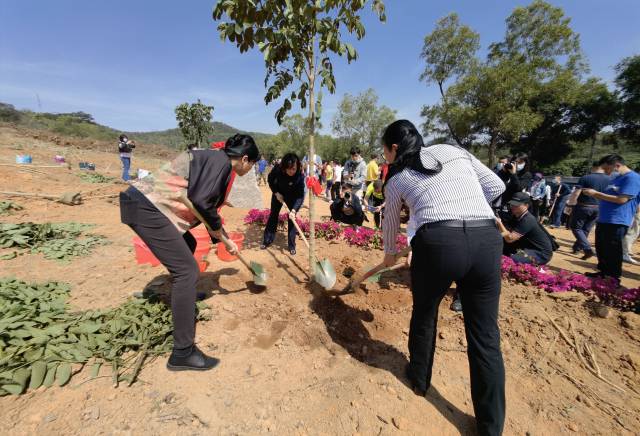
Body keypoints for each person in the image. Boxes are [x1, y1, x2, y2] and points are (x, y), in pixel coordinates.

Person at [381, 120, 505, 435]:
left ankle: (419, 380)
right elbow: (496, 187)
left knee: (425, 313)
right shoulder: (452, 150)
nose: (384, 157)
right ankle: (491, 428)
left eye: (384, 151)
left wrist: (389, 257)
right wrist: (466, 205)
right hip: (486, 241)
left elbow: (390, 226)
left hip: (437, 244)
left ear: (394, 148)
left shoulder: (398, 178)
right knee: (485, 336)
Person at [120, 134, 259, 371]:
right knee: (187, 271)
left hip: (147, 205)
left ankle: (183, 297)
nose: (250, 168)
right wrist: (217, 230)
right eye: (252, 164)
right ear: (245, 159)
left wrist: (220, 234)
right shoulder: (221, 163)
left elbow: (202, 204)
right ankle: (182, 352)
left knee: (190, 247)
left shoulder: (215, 159)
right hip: (147, 208)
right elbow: (202, 202)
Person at [582, 154, 640, 283]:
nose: (606, 173)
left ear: (616, 166)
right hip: (604, 219)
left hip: (617, 220)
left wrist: (595, 193)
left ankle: (613, 277)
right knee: (601, 247)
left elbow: (622, 199)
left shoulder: (632, 178)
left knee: (612, 250)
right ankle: (603, 272)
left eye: (607, 169)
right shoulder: (616, 179)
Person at [261, 153, 305, 255]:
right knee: (273, 215)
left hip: (293, 197)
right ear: (284, 167)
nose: (291, 171)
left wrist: (294, 210)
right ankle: (267, 240)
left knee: (292, 219)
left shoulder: (300, 176)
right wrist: (276, 193)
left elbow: (300, 196)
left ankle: (291, 245)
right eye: (289, 169)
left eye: (294, 169)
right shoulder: (277, 169)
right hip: (278, 194)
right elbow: (270, 180)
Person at [497, 192, 553, 265]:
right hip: (526, 248)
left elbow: (510, 238)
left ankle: (538, 269)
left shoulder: (528, 219)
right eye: (512, 204)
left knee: (510, 260)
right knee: (499, 250)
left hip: (540, 253)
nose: (513, 206)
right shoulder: (516, 216)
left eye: (517, 204)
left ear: (526, 206)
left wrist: (499, 223)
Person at [569, 162, 611, 259]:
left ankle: (587, 249)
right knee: (586, 229)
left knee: (576, 228)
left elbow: (576, 193)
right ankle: (577, 247)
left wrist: (570, 204)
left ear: (593, 167)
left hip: (583, 206)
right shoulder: (609, 179)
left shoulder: (586, 177)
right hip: (599, 207)